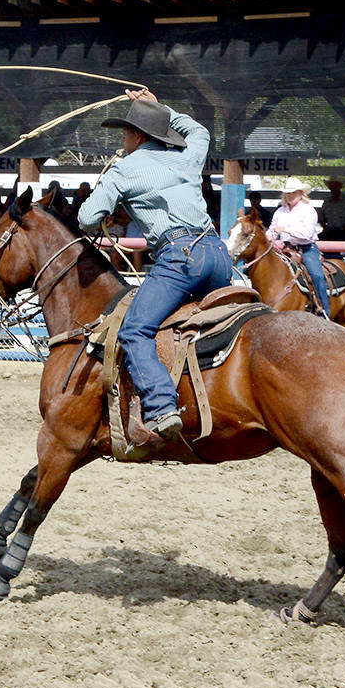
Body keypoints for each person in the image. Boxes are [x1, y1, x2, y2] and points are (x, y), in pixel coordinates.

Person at [77, 88, 232, 441]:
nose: (123, 139)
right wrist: (162, 107)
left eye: (125, 133)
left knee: (134, 330)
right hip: (218, 257)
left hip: (180, 260)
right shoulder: (185, 156)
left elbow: (87, 218)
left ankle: (162, 406)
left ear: (135, 136)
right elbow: (201, 132)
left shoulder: (124, 170)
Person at [266, 177, 332, 317]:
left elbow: (307, 234)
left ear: (301, 193)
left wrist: (285, 229)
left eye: (293, 192)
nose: (290, 195)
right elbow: (272, 230)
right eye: (288, 193)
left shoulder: (308, 210)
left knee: (317, 275)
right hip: (286, 249)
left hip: (307, 249)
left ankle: (324, 310)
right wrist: (268, 236)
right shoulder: (280, 212)